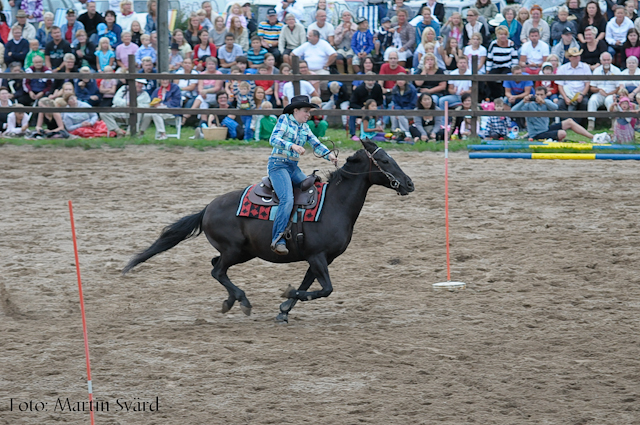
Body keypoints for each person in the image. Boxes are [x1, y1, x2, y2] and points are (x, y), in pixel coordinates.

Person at [267, 94, 338, 255]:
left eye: (309, 112)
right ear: (296, 110)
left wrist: (329, 155)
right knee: (287, 199)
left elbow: (315, 143)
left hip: (292, 167)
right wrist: (292, 146)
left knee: (313, 189)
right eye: (306, 111)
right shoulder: (284, 120)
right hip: (278, 165)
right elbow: (273, 139)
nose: (308, 115)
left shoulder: (304, 127)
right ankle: (278, 239)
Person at [514, 86, 601, 141]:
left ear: (545, 95)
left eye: (541, 95)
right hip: (536, 134)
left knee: (569, 121)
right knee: (562, 133)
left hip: (545, 129)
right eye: (537, 95)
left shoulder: (546, 102)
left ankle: (593, 137)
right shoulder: (529, 105)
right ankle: (562, 141)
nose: (539, 97)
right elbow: (513, 112)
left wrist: (543, 102)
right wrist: (523, 101)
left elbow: (555, 107)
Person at [587, 51, 621, 130]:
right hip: (600, 93)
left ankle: (613, 124)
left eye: (608, 60)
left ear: (611, 60)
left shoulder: (616, 71)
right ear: (601, 61)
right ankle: (591, 124)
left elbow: (619, 87)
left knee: (610, 100)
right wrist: (599, 89)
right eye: (604, 60)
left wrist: (611, 93)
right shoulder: (596, 71)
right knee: (592, 100)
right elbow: (592, 87)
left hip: (612, 93)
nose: (606, 62)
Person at [556, 47, 591, 120]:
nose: (577, 58)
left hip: (581, 93)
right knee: (560, 104)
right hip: (567, 94)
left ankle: (579, 124)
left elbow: (587, 84)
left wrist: (581, 95)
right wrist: (565, 97)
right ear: (570, 58)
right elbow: (560, 85)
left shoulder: (585, 67)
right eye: (574, 56)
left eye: (578, 55)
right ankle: (565, 123)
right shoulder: (562, 68)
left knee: (584, 103)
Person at [487, 25, 519, 99]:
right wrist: (488, 70)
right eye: (501, 34)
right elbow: (490, 57)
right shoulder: (493, 44)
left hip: (507, 66)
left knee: (505, 78)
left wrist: (514, 69)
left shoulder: (511, 44)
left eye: (505, 34)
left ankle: (504, 96)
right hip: (496, 66)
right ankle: (495, 96)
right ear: (497, 35)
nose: (503, 36)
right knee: (489, 78)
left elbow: (514, 58)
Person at [349, 73, 384, 139]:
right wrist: (362, 108)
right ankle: (353, 134)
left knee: (380, 110)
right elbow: (352, 103)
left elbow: (380, 101)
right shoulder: (359, 89)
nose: (370, 82)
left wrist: (373, 105)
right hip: (361, 109)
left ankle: (378, 128)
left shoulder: (378, 87)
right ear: (364, 80)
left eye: (372, 80)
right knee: (352, 114)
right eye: (368, 80)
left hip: (374, 109)